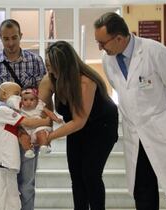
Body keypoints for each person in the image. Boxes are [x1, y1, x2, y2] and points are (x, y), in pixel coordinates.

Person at [94, 12, 166, 210]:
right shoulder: (108, 60)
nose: (100, 48)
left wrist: (164, 114)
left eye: (102, 43)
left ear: (119, 38)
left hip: (161, 132)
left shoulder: (154, 52)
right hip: (135, 136)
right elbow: (123, 90)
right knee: (143, 193)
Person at [39, 41, 119, 210]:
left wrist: (51, 136)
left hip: (101, 127)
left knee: (90, 174)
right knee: (76, 176)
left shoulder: (85, 82)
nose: (49, 70)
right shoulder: (50, 79)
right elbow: (41, 107)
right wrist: (42, 129)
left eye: (52, 66)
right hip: (77, 127)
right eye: (47, 65)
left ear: (64, 65)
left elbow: (79, 120)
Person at [0, 18, 46, 209]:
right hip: (1, 134)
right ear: (0, 38)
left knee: (26, 185)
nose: (10, 43)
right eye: (6, 38)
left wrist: (43, 127)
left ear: (21, 36)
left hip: (27, 130)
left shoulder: (35, 62)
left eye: (14, 38)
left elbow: (44, 96)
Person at [0, 82, 51, 210]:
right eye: (16, 94)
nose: (19, 98)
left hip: (10, 167)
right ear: (4, 94)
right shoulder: (1, 110)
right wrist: (46, 121)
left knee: (13, 203)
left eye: (20, 95)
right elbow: (28, 122)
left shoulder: (12, 114)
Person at [16, 88, 62, 158]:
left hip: (38, 128)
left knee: (41, 133)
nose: (28, 102)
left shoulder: (39, 106)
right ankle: (28, 150)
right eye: (25, 100)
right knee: (23, 137)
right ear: (21, 101)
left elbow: (49, 113)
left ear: (37, 100)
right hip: (27, 130)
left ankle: (43, 146)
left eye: (31, 100)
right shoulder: (20, 109)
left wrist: (56, 119)